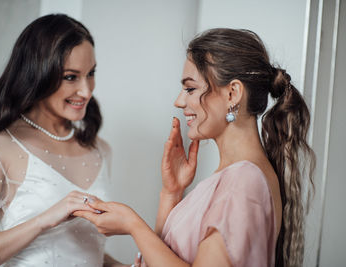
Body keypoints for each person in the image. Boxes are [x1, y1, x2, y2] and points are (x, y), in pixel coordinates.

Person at [74, 28, 316, 267]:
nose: (179, 101)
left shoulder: (244, 182)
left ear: (233, 94)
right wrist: (171, 192)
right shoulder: (236, 177)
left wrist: (133, 226)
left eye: (190, 88)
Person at [0, 14, 124, 267]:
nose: (86, 91)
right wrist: (45, 219)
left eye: (91, 73)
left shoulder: (100, 150)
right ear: (38, 73)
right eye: (71, 77)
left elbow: (81, 253)